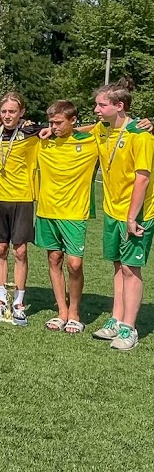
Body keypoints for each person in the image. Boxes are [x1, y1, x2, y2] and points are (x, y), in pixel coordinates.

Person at [89, 79, 153, 351]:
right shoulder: (102, 130)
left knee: (130, 268)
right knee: (117, 264)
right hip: (112, 211)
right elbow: (79, 129)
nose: (96, 109)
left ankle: (130, 329)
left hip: (136, 214)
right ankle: (116, 320)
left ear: (119, 106)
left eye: (101, 105)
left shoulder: (141, 135)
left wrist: (131, 216)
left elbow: (143, 178)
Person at [35, 100, 98, 334]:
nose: (54, 127)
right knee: (54, 259)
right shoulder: (43, 142)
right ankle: (62, 311)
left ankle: (75, 312)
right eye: (51, 122)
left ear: (73, 120)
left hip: (75, 213)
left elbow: (103, 125)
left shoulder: (90, 143)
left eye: (59, 122)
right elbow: (4, 123)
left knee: (75, 264)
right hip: (47, 211)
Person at [0, 93, 41, 325]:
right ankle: (0, 300)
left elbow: (61, 125)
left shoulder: (31, 133)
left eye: (12, 111)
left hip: (23, 199)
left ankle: (18, 302)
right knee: (0, 249)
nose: (7, 116)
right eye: (3, 111)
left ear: (22, 113)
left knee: (21, 251)